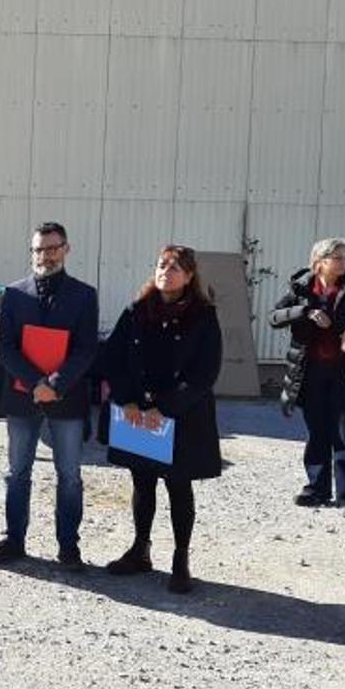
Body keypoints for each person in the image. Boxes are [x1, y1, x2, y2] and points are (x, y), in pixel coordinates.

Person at [102, 246, 223, 593]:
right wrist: (127, 400)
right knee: (143, 482)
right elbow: (113, 358)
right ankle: (140, 549)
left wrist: (166, 407)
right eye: (161, 265)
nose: (165, 272)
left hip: (180, 415)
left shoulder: (203, 315)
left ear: (189, 276)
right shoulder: (138, 309)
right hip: (138, 413)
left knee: (178, 485)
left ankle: (180, 558)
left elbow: (205, 372)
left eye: (174, 268)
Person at [0, 222, 98, 570]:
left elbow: (85, 350)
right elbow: (4, 346)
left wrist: (54, 383)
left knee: (69, 475)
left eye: (52, 248)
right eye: (38, 249)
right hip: (23, 397)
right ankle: (14, 539)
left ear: (66, 249)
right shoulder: (14, 293)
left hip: (66, 398)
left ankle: (69, 547)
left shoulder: (84, 295)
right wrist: (36, 382)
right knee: (18, 472)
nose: (45, 255)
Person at [269, 238, 345, 523]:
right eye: (338, 257)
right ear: (320, 261)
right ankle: (317, 488)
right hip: (311, 371)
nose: (344, 263)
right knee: (317, 430)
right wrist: (305, 312)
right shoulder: (302, 287)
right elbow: (275, 316)